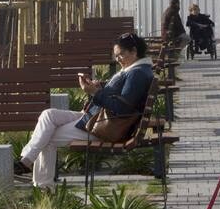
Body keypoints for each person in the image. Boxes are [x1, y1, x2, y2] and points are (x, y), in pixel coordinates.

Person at [15, 33, 155, 188]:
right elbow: (119, 97)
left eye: (121, 54)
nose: (118, 59)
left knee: (47, 137)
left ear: (134, 51)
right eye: (116, 56)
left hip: (103, 129)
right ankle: (26, 161)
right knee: (48, 115)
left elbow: (122, 109)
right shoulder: (137, 69)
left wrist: (94, 92)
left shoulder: (137, 74)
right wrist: (99, 87)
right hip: (95, 119)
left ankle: (43, 188)